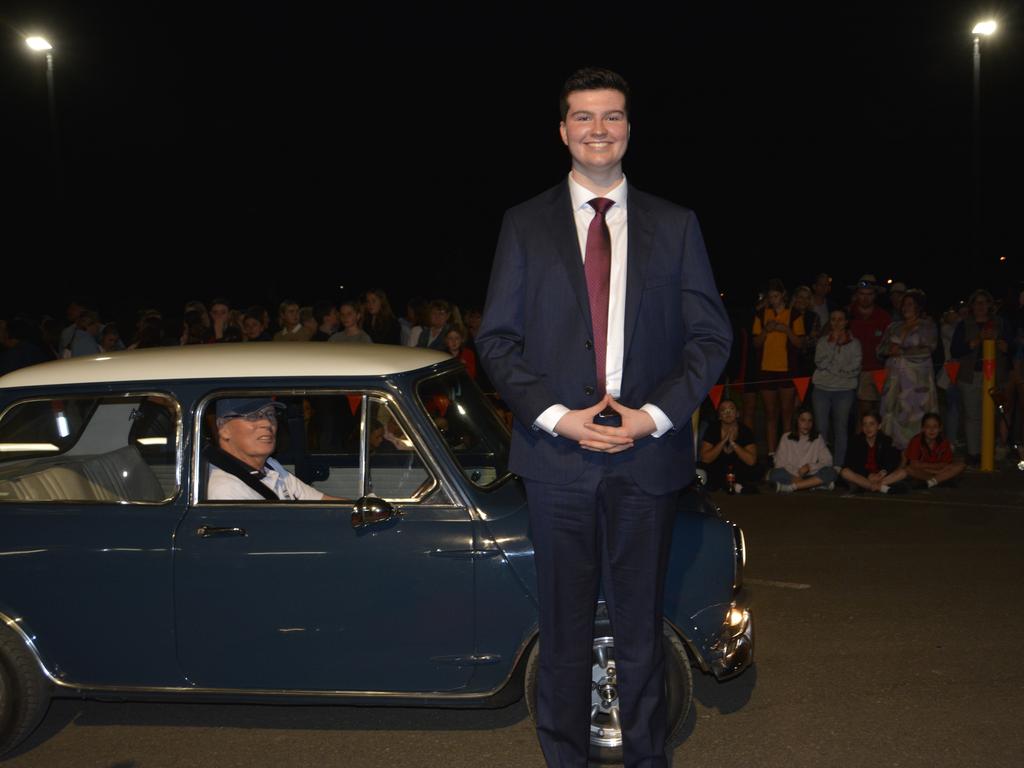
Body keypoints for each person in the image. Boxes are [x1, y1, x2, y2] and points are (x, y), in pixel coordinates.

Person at [476, 67, 731, 767]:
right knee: (562, 636)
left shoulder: (676, 225)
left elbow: (711, 337)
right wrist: (557, 416)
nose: (598, 129)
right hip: (556, 462)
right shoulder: (523, 224)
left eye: (611, 116)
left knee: (641, 630)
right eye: (584, 117)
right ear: (563, 130)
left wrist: (654, 416)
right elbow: (495, 339)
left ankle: (648, 759)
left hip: (647, 458)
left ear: (628, 128)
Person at [207, 398, 339, 501]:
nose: (267, 423)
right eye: (252, 416)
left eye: (270, 414)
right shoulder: (227, 490)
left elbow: (321, 501)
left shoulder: (270, 466)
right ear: (223, 428)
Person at [950, 288, 1012, 465]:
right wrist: (977, 340)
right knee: (972, 416)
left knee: (993, 415)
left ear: (990, 305)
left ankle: (989, 451)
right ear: (972, 306)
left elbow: (1011, 348)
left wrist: (1000, 344)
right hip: (970, 376)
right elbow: (956, 350)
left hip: (995, 376)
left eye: (984, 302)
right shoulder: (964, 325)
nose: (980, 306)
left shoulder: (1000, 323)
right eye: (977, 302)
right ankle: (974, 453)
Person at [877, 290, 938, 449]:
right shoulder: (893, 326)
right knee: (892, 413)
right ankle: (892, 452)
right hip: (894, 380)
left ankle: (918, 451)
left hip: (916, 382)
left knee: (915, 414)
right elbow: (880, 349)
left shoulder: (927, 326)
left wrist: (902, 350)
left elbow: (929, 347)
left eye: (910, 304)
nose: (906, 307)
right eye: (904, 304)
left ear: (918, 307)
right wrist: (890, 350)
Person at [751, 278, 803, 457]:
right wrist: (766, 330)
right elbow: (756, 344)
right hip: (766, 370)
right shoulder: (761, 315)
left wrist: (786, 330)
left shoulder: (794, 314)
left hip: (788, 370)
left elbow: (799, 343)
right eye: (770, 296)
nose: (773, 299)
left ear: (783, 296)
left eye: (776, 296)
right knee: (770, 414)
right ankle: (772, 453)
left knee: (787, 414)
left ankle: (786, 453)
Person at [811, 308, 861, 467]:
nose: (837, 322)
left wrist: (835, 369)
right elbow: (820, 362)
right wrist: (834, 346)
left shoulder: (855, 344)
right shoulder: (822, 342)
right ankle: (823, 465)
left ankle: (839, 466)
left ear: (846, 322)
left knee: (841, 428)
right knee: (821, 428)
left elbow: (855, 368)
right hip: (821, 389)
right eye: (833, 319)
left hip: (844, 390)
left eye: (840, 319)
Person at [847, 274, 891, 426]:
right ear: (856, 294)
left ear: (875, 295)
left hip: (878, 371)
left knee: (879, 413)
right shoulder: (847, 314)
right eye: (861, 294)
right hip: (852, 372)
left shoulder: (884, 317)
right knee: (860, 414)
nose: (865, 298)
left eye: (869, 294)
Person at [769, 407, 837, 492]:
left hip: (811, 474)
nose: (807, 424)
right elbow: (779, 463)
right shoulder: (786, 437)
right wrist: (796, 473)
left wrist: (809, 466)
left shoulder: (817, 438)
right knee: (775, 474)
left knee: (831, 472)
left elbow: (828, 460)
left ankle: (791, 487)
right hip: (791, 475)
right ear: (796, 421)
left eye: (810, 421)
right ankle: (813, 485)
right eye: (803, 420)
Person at [699, 399, 759, 493]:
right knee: (701, 470)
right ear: (719, 416)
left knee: (755, 470)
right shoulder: (712, 429)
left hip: (738, 469)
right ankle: (731, 486)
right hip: (717, 469)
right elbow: (705, 459)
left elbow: (751, 461)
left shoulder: (745, 431)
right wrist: (723, 441)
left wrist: (733, 444)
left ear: (737, 414)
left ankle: (735, 486)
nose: (728, 413)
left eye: (731, 409)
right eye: (723, 410)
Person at [840, 412, 908, 493]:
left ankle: (872, 486)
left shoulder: (886, 440)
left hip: (880, 476)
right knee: (845, 472)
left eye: (872, 424)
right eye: (865, 424)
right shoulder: (855, 441)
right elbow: (851, 463)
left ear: (879, 426)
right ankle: (878, 487)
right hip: (863, 476)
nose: (868, 428)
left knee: (903, 472)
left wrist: (882, 473)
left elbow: (891, 461)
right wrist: (868, 475)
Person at [901, 412, 965, 488]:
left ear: (940, 428)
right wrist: (936, 470)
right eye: (928, 427)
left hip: (938, 472)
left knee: (961, 465)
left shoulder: (944, 442)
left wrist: (926, 466)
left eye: (935, 427)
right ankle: (939, 480)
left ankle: (930, 483)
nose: (932, 430)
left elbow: (945, 464)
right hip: (926, 473)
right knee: (908, 469)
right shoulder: (916, 440)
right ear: (923, 429)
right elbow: (914, 464)